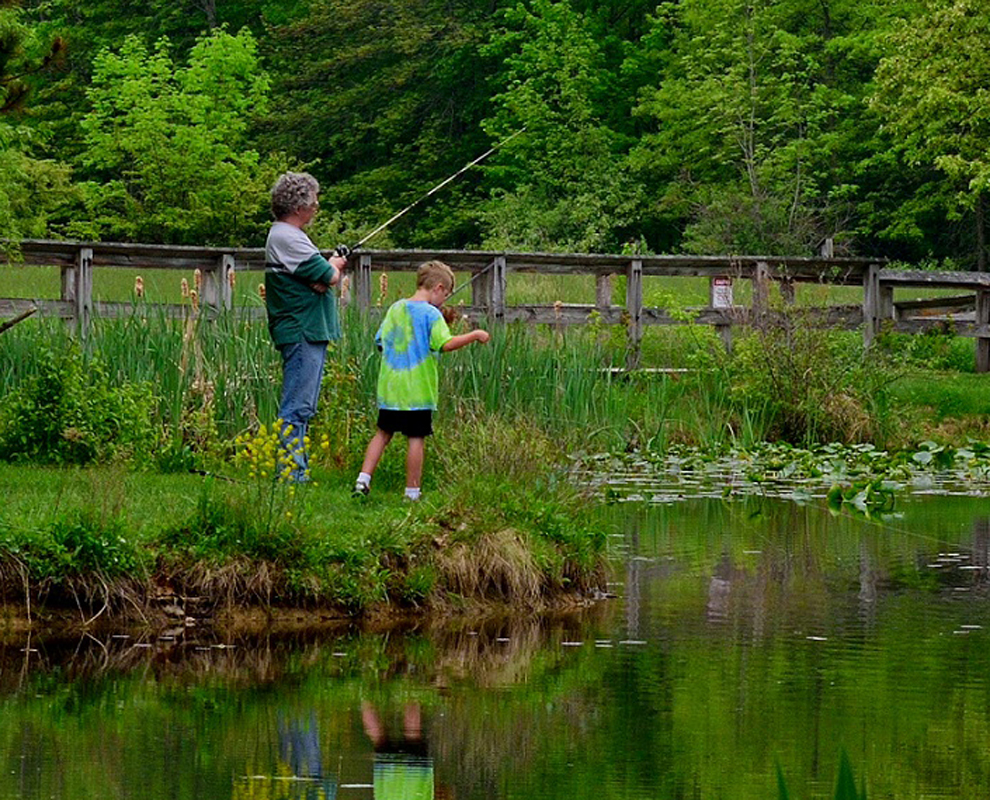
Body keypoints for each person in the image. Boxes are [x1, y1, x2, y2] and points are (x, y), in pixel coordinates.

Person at [354, 260, 489, 501]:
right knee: (416, 438)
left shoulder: (395, 308)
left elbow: (380, 341)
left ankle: (362, 480)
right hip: (417, 392)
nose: (444, 302)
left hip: (390, 389)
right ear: (438, 288)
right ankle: (412, 492)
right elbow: (444, 344)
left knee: (382, 433)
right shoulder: (431, 314)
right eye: (445, 296)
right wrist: (474, 335)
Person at [265, 171, 348, 482]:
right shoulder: (286, 236)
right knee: (297, 405)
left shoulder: (290, 237)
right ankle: (290, 473)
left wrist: (325, 272)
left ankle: (294, 470)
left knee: (302, 403)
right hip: (301, 330)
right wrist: (334, 266)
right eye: (313, 201)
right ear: (299, 206)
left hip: (307, 330)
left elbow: (317, 277)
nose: (316, 207)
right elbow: (327, 277)